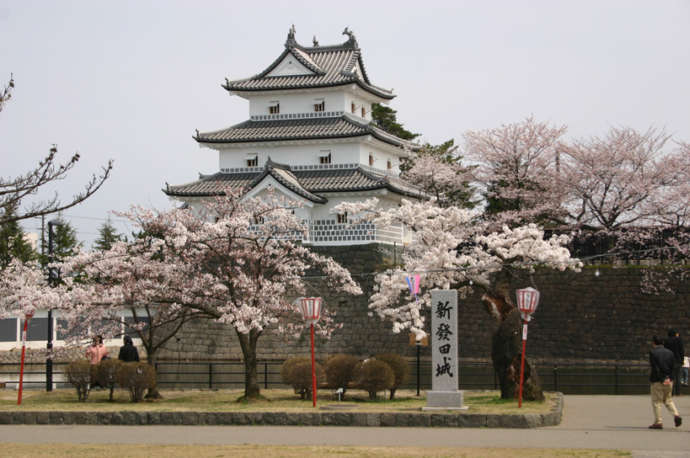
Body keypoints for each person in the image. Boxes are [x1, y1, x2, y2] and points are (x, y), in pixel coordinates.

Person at [649, 335, 682, 429]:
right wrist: (669, 378)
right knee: (668, 400)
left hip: (657, 380)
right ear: (663, 343)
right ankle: (676, 415)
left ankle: (658, 422)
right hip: (669, 380)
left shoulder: (653, 352)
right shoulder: (670, 353)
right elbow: (672, 367)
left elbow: (655, 368)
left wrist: (662, 378)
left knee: (657, 401)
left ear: (654, 343)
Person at [664, 329, 684, 395]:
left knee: (670, 377)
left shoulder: (666, 341)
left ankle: (671, 392)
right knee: (678, 377)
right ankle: (678, 392)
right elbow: (681, 351)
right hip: (678, 360)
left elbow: (665, 351)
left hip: (669, 361)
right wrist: (682, 360)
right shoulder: (679, 340)